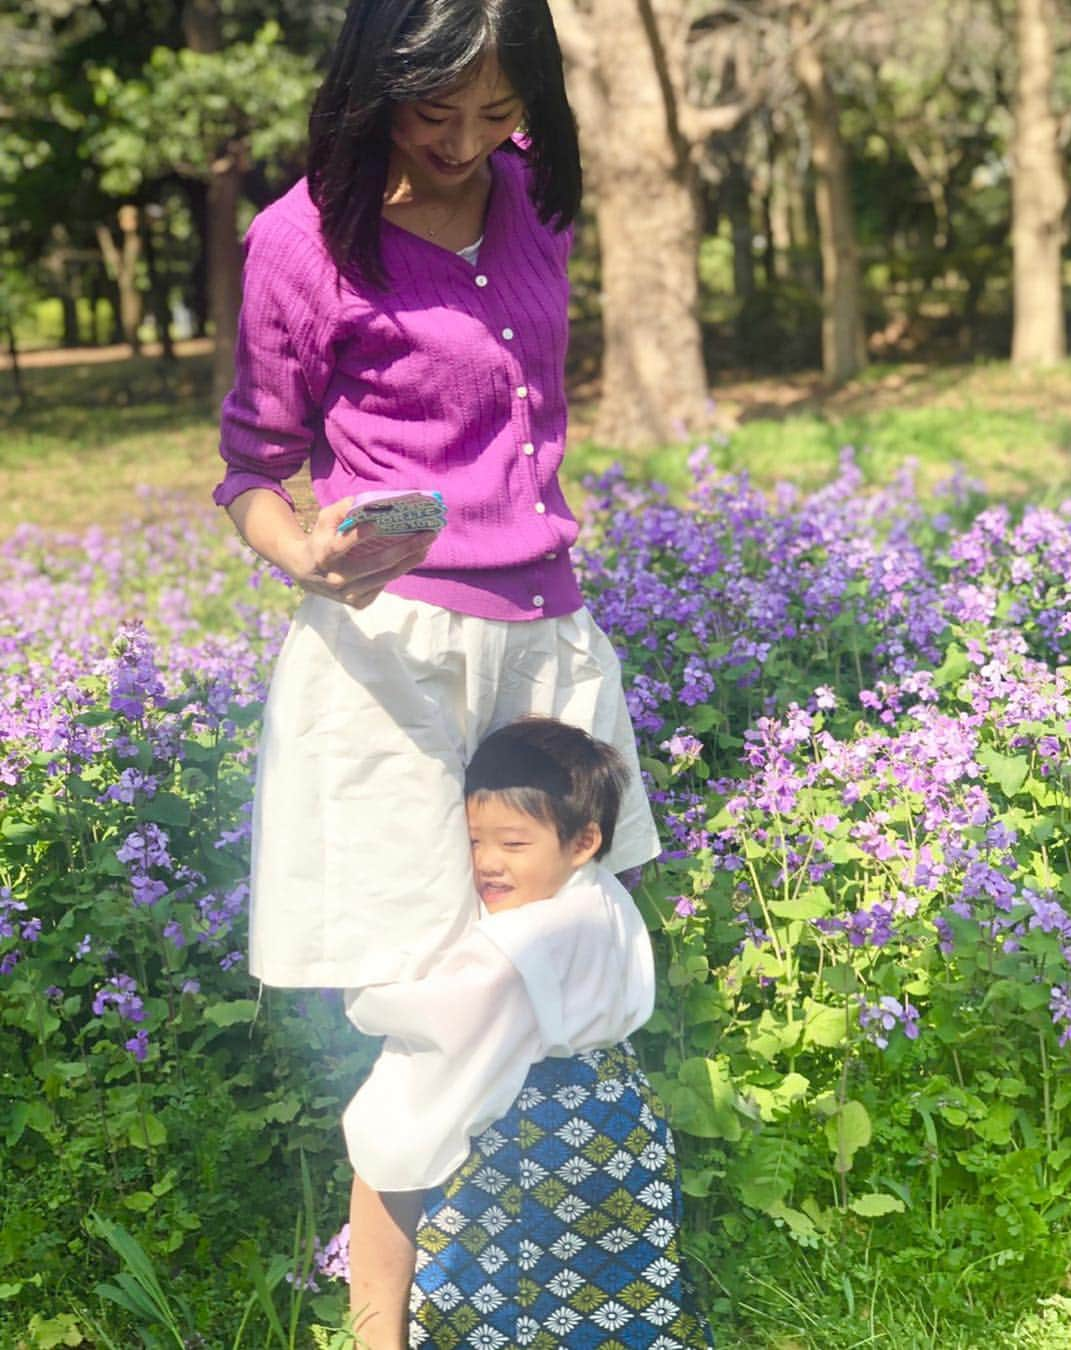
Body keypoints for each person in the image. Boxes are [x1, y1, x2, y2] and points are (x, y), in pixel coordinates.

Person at [212, 2, 661, 1345]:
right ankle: (376, 1324)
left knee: (559, 967)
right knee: (434, 996)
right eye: (434, 113)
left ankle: (548, 1284)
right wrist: (303, 551)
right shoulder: (300, 242)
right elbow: (252, 463)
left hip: (546, 641)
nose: (468, 144)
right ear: (372, 88)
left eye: (498, 113)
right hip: (396, 658)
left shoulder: (536, 200)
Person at [342, 718, 714, 1349]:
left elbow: (441, 1025)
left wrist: (368, 994)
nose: (487, 862)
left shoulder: (511, 951)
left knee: (515, 1308)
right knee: (619, 1304)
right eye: (474, 840)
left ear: (583, 840)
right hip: (618, 1130)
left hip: (534, 1147)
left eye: (512, 843)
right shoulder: (600, 897)